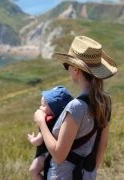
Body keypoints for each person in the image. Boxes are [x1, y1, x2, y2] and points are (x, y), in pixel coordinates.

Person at [33, 36, 117, 179]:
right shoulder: (105, 100)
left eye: (67, 65)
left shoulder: (76, 107)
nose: (67, 69)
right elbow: (103, 145)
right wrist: (90, 171)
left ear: (76, 69)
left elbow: (59, 156)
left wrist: (41, 121)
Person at [28, 86, 73, 180]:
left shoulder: (46, 122)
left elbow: (38, 141)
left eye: (43, 105)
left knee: (33, 170)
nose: (40, 107)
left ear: (53, 109)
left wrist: (32, 139)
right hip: (63, 154)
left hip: (46, 153)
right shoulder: (64, 120)